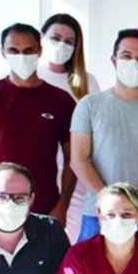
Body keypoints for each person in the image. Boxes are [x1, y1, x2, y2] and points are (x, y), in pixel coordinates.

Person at [70, 28, 138, 245]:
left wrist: (135, 201)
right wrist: (110, 201)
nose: (133, 63)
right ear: (114, 60)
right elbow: (79, 160)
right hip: (98, 214)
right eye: (126, 56)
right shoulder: (89, 106)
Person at [0, 23, 77, 225]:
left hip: (44, 209)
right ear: (3, 53)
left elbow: (72, 158)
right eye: (14, 50)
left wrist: (62, 206)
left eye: (29, 50)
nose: (22, 56)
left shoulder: (61, 101)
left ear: (40, 50)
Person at [37, 13, 101, 242]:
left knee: (71, 242)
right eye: (56, 37)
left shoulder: (87, 82)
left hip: (76, 177)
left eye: (69, 41)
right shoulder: (26, 74)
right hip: (38, 173)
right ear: (42, 38)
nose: (61, 45)